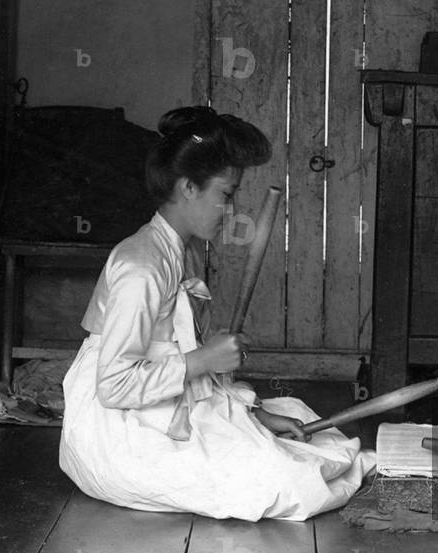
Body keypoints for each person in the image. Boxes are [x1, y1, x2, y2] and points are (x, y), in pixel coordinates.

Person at [59, 106, 374, 521]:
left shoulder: (182, 251)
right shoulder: (141, 266)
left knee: (298, 429)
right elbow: (114, 387)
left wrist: (254, 413)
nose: (230, 208)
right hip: (114, 428)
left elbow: (183, 356)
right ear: (189, 187)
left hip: (162, 398)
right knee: (289, 480)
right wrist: (204, 359)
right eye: (226, 194)